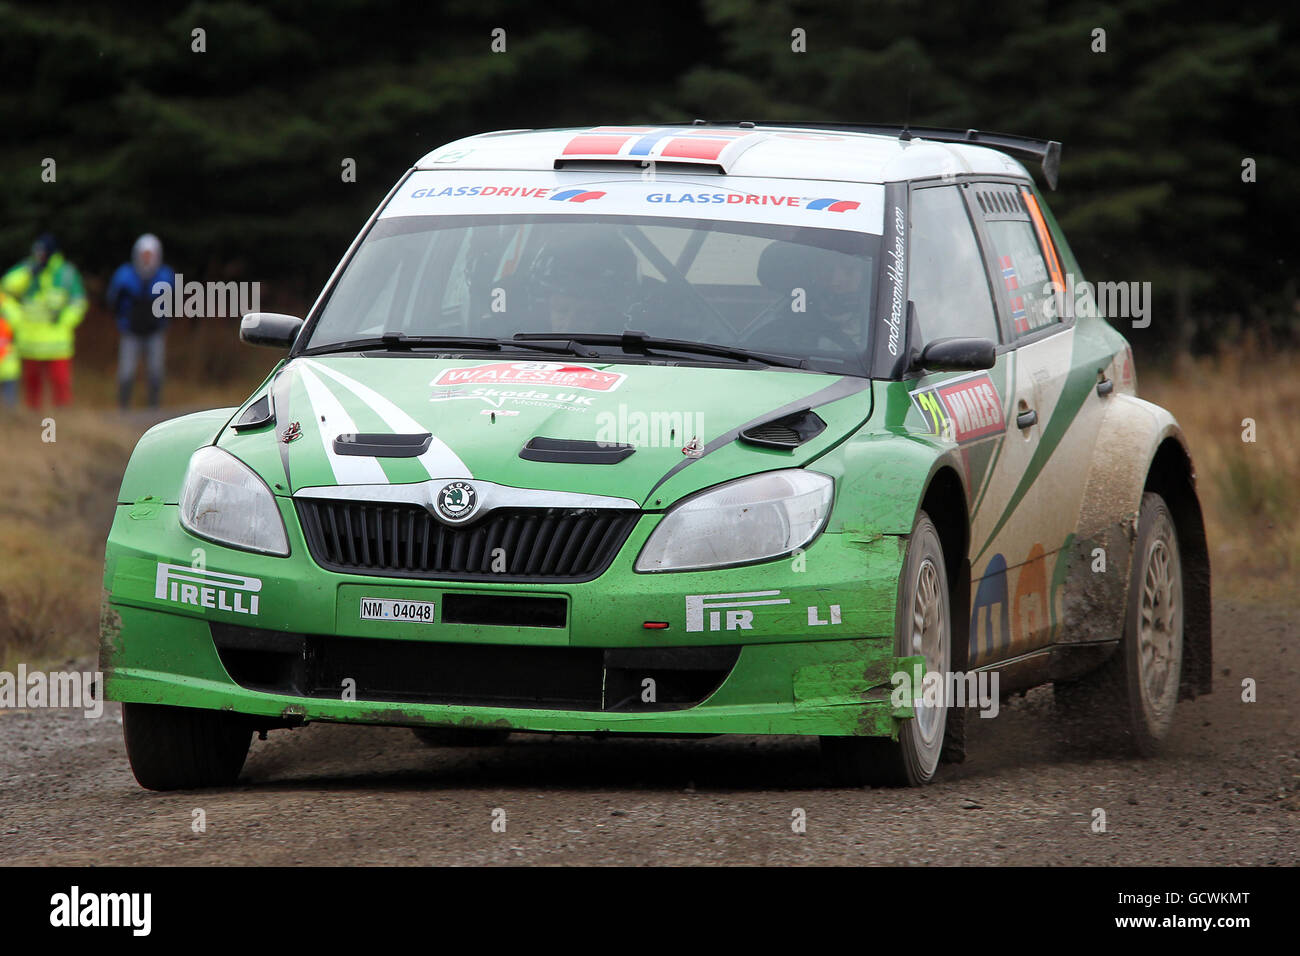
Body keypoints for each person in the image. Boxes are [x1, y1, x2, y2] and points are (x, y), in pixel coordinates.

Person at [0, 234, 87, 408]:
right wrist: (28, 274)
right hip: (29, 342)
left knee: (60, 385)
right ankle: (33, 426)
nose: (39, 255)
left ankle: (64, 423)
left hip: (57, 343)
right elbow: (5, 288)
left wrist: (64, 322)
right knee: (32, 390)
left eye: (42, 252)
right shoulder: (27, 269)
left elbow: (79, 302)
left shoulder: (66, 273)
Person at [106, 234, 176, 408]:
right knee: (127, 372)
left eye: (150, 254)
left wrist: (163, 321)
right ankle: (123, 407)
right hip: (131, 330)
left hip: (155, 331)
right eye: (144, 254)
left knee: (155, 371)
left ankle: (154, 407)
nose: (146, 258)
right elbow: (112, 300)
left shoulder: (165, 276)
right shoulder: (124, 275)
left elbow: (174, 303)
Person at [528, 234, 640, 334]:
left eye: (586, 314)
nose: (569, 325)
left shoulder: (631, 347)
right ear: (546, 307)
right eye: (561, 311)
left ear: (608, 313)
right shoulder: (516, 337)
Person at [0, 305, 18, 408]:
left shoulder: (8, 319)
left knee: (9, 398)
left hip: (7, 365)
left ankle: (9, 413)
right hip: (8, 365)